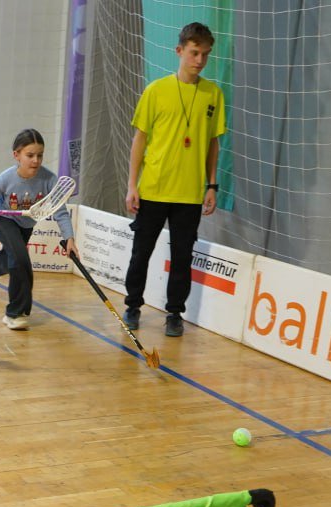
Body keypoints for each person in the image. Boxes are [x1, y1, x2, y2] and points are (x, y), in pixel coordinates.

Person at [122, 21, 225, 337]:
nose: (199, 60)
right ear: (179, 51)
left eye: (205, 55)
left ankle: (175, 314)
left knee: (182, 257)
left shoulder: (213, 94)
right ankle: (133, 306)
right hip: (153, 189)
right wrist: (132, 185)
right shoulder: (156, 91)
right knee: (141, 252)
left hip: (190, 195)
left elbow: (212, 143)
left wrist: (211, 185)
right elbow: (140, 139)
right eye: (194, 53)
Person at [0, 129, 76, 330]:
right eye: (30, 155)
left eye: (40, 155)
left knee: (13, 259)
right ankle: (15, 313)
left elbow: (60, 211)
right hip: (3, 219)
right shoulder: (5, 178)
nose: (36, 160)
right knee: (20, 260)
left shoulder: (49, 180)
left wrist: (69, 238)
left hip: (26, 224)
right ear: (16, 155)